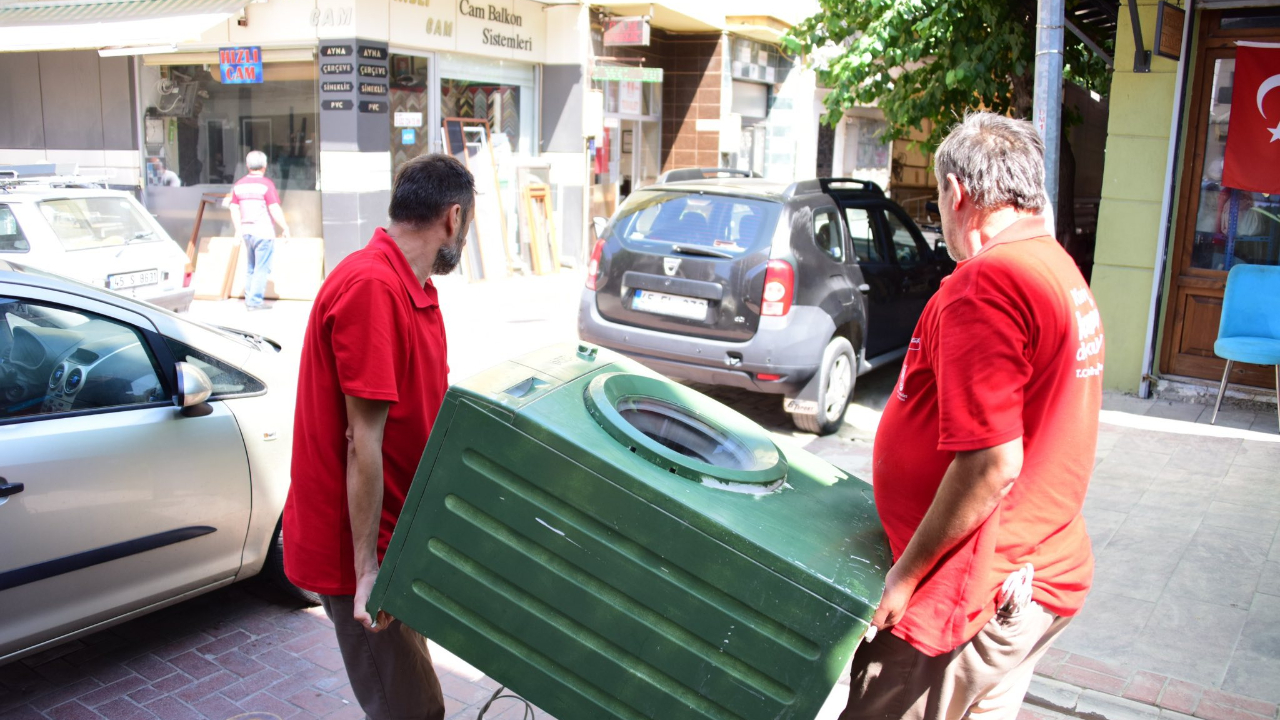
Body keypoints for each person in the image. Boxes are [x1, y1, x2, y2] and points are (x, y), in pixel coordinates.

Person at [842, 112, 1105, 720]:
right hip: (1028, 574)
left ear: (957, 194)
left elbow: (992, 463)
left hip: (963, 596)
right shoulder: (1055, 268)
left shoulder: (988, 283)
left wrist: (904, 579)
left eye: (937, 200)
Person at [282, 154, 475, 720]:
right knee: (411, 710)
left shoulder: (411, 286)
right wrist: (368, 572)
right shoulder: (372, 287)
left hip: (394, 537)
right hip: (360, 555)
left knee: (416, 701)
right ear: (454, 218)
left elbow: (420, 409)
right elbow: (361, 442)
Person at [229, 150, 290, 310]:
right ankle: (255, 302)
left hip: (246, 232)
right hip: (263, 232)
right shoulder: (266, 185)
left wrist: (238, 230)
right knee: (262, 267)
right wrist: (285, 227)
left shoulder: (239, 185)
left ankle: (250, 299)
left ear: (248, 165)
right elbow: (274, 208)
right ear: (265, 166)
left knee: (251, 267)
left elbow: (234, 208)